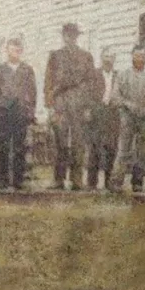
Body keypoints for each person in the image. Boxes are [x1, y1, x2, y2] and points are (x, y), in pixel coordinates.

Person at [43, 23, 97, 191]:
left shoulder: (86, 56)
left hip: (79, 103)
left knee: (78, 142)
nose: (70, 38)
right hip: (60, 102)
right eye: (67, 35)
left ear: (76, 37)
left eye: (73, 35)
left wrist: (88, 107)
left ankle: (76, 180)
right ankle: (58, 179)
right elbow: (48, 81)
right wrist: (50, 105)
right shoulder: (55, 56)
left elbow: (91, 83)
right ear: (63, 37)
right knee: (59, 141)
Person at [110, 45, 145, 193]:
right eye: (136, 56)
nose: (139, 59)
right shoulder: (123, 75)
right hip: (127, 116)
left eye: (142, 56)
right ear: (132, 57)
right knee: (124, 149)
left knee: (143, 152)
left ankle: (137, 182)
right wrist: (128, 104)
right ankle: (116, 182)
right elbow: (115, 96)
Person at [0, 36, 37, 190]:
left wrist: (30, 111)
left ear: (21, 51)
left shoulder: (27, 70)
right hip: (4, 112)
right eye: (12, 50)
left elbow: (32, 92)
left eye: (18, 50)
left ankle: (18, 180)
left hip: (20, 114)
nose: (15, 53)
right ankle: (2, 179)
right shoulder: (0, 70)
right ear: (7, 51)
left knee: (19, 147)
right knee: (2, 146)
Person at [86, 47, 121, 191]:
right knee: (95, 147)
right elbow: (87, 93)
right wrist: (88, 109)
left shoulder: (118, 75)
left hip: (113, 114)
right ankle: (91, 183)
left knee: (111, 148)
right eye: (106, 56)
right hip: (97, 112)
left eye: (111, 56)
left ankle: (108, 182)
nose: (108, 59)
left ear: (114, 59)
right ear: (101, 58)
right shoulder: (94, 74)